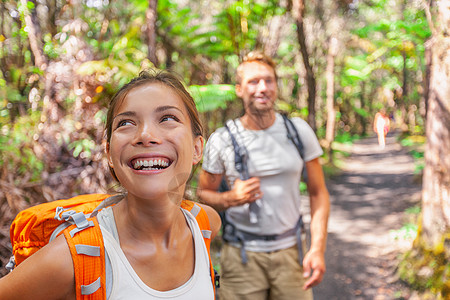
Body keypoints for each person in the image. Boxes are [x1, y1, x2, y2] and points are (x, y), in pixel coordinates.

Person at [0, 70, 221, 299]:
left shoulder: (205, 224)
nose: (145, 135)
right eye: (126, 122)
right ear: (110, 155)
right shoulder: (72, 257)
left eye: (167, 118)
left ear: (197, 149)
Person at [197, 51, 330, 299]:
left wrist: (317, 248)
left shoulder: (298, 131)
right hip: (240, 256)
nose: (262, 88)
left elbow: (318, 192)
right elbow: (202, 194)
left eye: (269, 80)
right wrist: (229, 199)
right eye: (253, 81)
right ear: (239, 89)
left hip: (290, 252)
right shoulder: (222, 139)